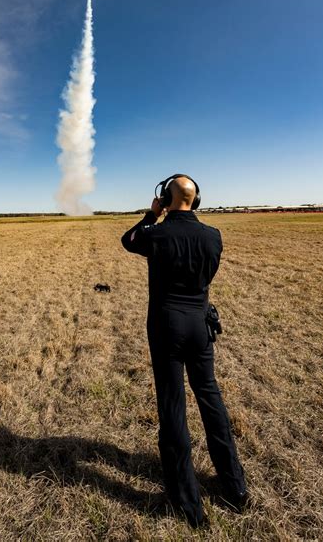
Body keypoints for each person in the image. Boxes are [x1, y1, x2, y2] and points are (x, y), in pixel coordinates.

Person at [121, 174, 248, 528]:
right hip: (201, 325)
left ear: (165, 197)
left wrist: (151, 216)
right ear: (197, 200)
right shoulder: (213, 237)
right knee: (211, 399)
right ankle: (235, 487)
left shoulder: (156, 234)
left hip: (167, 329)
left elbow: (128, 241)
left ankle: (186, 500)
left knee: (173, 405)